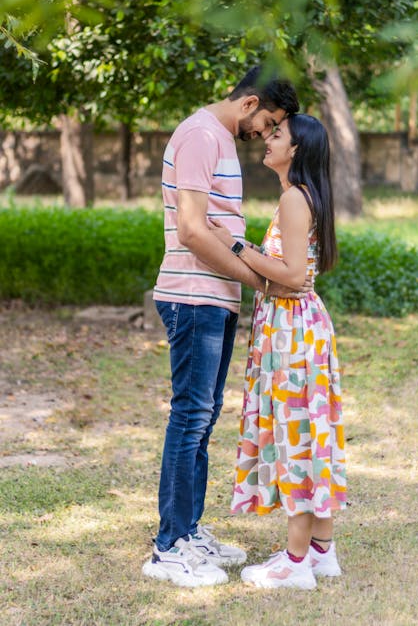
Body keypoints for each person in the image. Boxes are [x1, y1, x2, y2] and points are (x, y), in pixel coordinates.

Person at [142, 66, 300, 588]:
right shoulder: (198, 135)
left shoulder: (221, 140)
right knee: (190, 418)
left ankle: (187, 532)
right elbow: (191, 230)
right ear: (250, 102)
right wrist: (260, 282)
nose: (269, 134)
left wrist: (248, 280)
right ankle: (167, 549)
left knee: (202, 420)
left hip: (214, 299)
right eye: (271, 121)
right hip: (192, 298)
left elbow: (219, 229)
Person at [209, 113, 346, 590]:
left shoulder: (293, 198)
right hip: (299, 323)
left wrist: (236, 245)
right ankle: (321, 551)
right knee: (310, 427)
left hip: (293, 330)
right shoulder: (307, 197)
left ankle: (294, 562)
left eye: (278, 135)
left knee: (297, 435)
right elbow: (296, 274)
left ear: (298, 150)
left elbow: (290, 274)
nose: (267, 139)